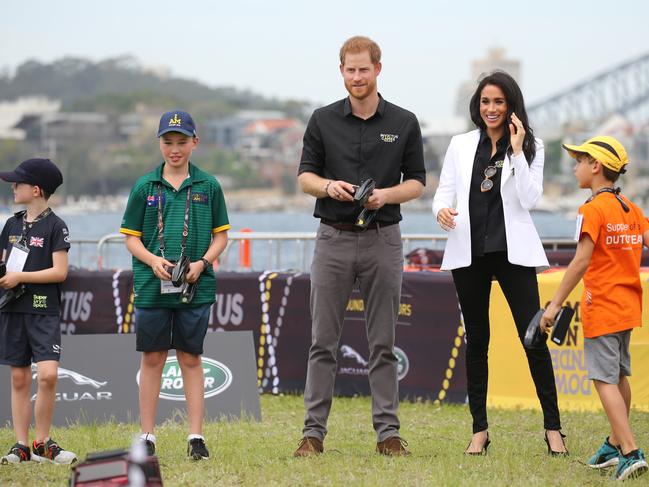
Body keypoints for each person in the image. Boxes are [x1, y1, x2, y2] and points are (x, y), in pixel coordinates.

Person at [294, 36, 425, 457]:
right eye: (350, 70)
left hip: (383, 239)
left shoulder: (405, 121)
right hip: (332, 237)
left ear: (378, 69)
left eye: (363, 70)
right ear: (341, 71)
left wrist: (386, 195)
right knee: (322, 343)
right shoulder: (321, 119)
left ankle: (388, 434)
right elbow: (304, 178)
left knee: (383, 343)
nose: (357, 77)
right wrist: (329, 186)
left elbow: (418, 182)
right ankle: (312, 435)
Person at [433, 71, 567, 455]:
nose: (491, 109)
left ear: (511, 107)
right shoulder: (460, 145)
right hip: (469, 252)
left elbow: (529, 199)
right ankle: (480, 430)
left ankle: (553, 429)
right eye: (485, 102)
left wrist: (518, 149)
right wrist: (441, 211)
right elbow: (442, 192)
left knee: (533, 338)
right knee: (477, 341)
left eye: (499, 102)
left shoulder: (532, 146)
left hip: (514, 254)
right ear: (478, 105)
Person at [119, 110, 230, 460]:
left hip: (195, 285)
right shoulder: (144, 186)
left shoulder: (209, 185)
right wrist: (153, 260)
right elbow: (131, 239)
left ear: (195, 142)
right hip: (153, 287)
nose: (175, 149)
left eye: (182, 142)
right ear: (160, 144)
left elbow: (221, 237)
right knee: (152, 358)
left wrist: (202, 263)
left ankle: (196, 437)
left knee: (191, 358)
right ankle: (147, 435)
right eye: (168, 142)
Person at [540, 136, 649, 481]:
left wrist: (554, 305)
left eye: (579, 160)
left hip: (602, 304)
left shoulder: (591, 209)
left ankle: (630, 452)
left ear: (596, 166)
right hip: (628, 304)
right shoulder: (629, 206)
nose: (574, 167)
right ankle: (614, 445)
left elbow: (580, 261)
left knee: (604, 379)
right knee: (618, 376)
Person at [0, 158, 77, 465]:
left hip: (44, 311)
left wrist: (21, 277)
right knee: (19, 378)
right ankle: (21, 445)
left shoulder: (56, 225)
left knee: (48, 375)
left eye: (17, 183)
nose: (12, 187)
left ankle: (42, 442)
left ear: (35, 189)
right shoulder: (11, 224)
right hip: (12, 309)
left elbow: (60, 272)